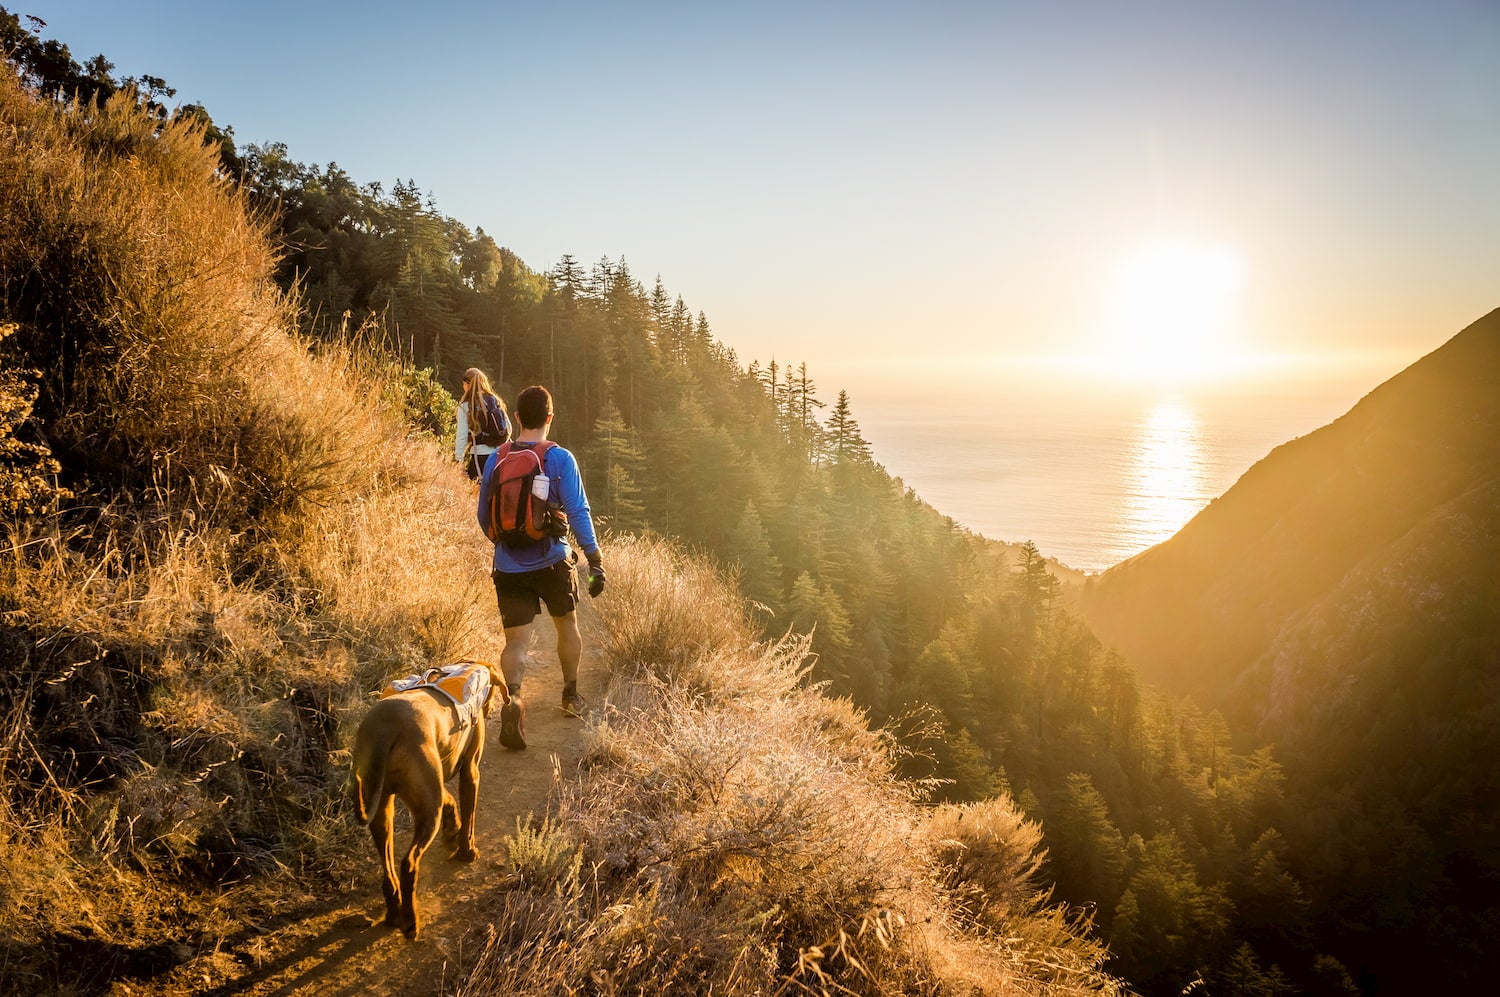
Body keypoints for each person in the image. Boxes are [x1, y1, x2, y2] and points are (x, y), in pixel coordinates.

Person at [477, 385, 605, 750]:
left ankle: (514, 698)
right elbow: (578, 511)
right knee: (567, 625)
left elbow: (483, 515)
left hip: (508, 566)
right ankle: (570, 695)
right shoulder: (560, 458)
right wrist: (594, 559)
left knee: (516, 641)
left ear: (516, 418)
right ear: (550, 417)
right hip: (552, 561)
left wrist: (507, 543)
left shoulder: (497, 458)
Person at [454, 367, 511, 480]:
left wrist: (458, 461)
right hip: (500, 455)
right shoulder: (495, 400)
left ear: (466, 384)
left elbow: (462, 435)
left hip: (479, 457)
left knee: (477, 493)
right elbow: (508, 428)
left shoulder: (465, 406)